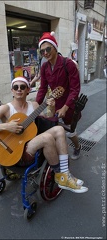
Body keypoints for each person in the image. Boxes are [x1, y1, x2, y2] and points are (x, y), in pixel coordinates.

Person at [0, 77, 88, 193]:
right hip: (15, 152)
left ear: (28, 90)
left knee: (59, 129)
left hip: (29, 145)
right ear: (12, 91)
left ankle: (64, 174)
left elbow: (49, 118)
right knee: (47, 138)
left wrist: (52, 106)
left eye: (22, 87)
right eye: (16, 87)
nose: (19, 89)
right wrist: (6, 126)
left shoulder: (34, 105)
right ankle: (59, 174)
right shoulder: (5, 108)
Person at [36, 31, 82, 160]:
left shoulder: (68, 64)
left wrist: (65, 107)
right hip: (54, 104)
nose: (45, 53)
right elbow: (42, 88)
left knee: (70, 131)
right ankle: (58, 152)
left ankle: (77, 146)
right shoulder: (44, 67)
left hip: (70, 105)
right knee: (52, 128)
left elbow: (75, 89)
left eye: (48, 49)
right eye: (42, 51)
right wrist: (35, 105)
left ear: (55, 47)